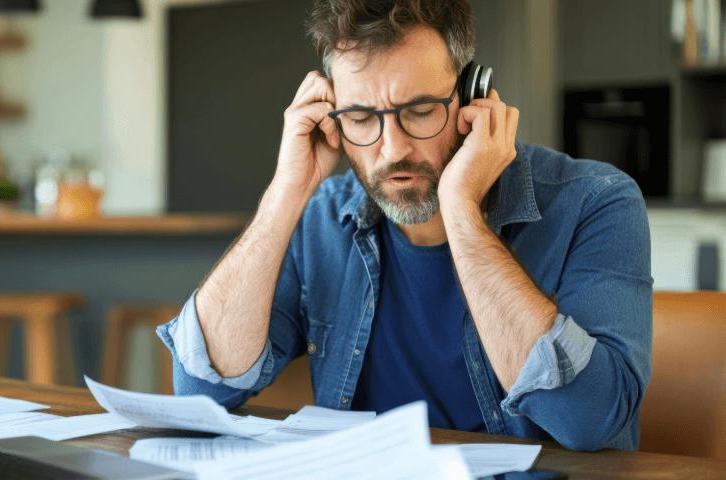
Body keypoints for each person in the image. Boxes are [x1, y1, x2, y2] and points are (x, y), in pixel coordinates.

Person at [156, 0, 652, 451]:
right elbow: (202, 388)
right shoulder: (322, 217)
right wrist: (285, 193)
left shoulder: (596, 201)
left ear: (473, 96)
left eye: (419, 111)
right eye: (361, 118)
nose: (392, 151)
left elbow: (589, 421)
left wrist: (460, 209)